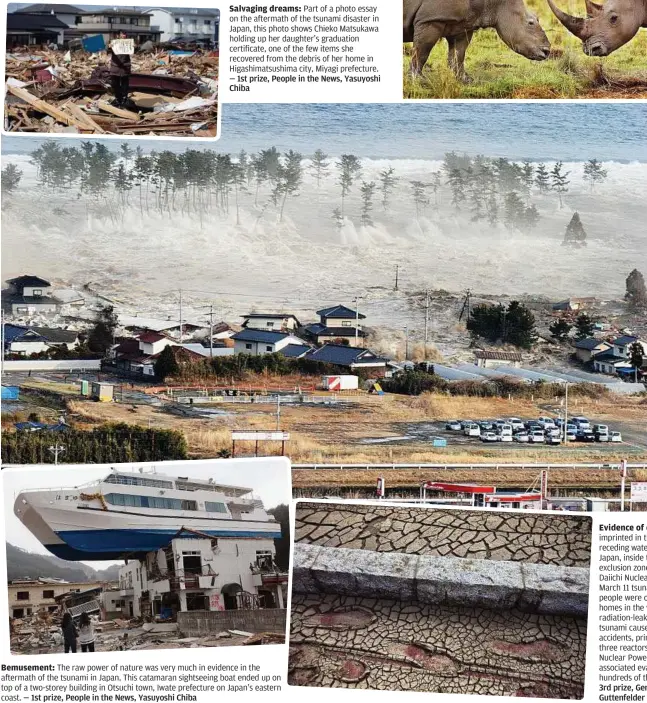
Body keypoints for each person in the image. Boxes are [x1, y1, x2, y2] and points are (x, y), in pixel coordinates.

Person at [108, 32, 132, 108]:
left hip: (125, 67)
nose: (124, 35)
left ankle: (124, 99)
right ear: (118, 36)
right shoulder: (114, 43)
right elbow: (107, 51)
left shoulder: (128, 43)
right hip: (115, 67)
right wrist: (109, 47)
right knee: (115, 84)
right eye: (122, 34)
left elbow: (135, 50)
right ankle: (118, 99)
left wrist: (135, 46)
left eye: (125, 34)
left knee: (125, 85)